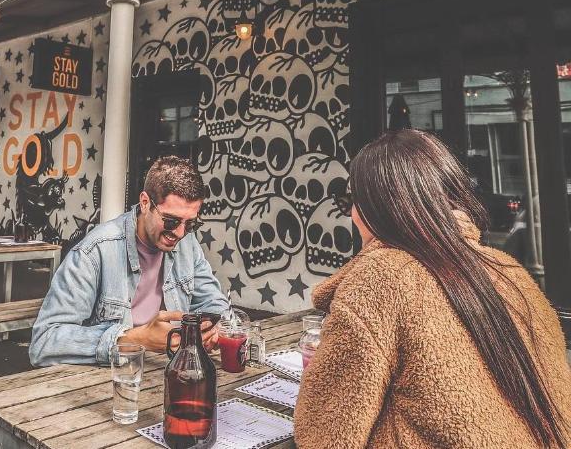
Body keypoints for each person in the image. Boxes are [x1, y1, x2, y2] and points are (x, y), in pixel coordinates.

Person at [294, 130, 571, 448]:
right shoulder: (508, 270)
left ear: (376, 207)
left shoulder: (380, 279)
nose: (352, 214)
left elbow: (326, 436)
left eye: (353, 201)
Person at [29, 156, 228, 367]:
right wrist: (134, 340)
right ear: (145, 203)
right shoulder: (95, 250)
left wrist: (216, 329)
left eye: (191, 224)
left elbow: (215, 305)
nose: (180, 233)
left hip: (167, 370)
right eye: (171, 221)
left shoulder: (187, 243)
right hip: (107, 378)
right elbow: (44, 343)